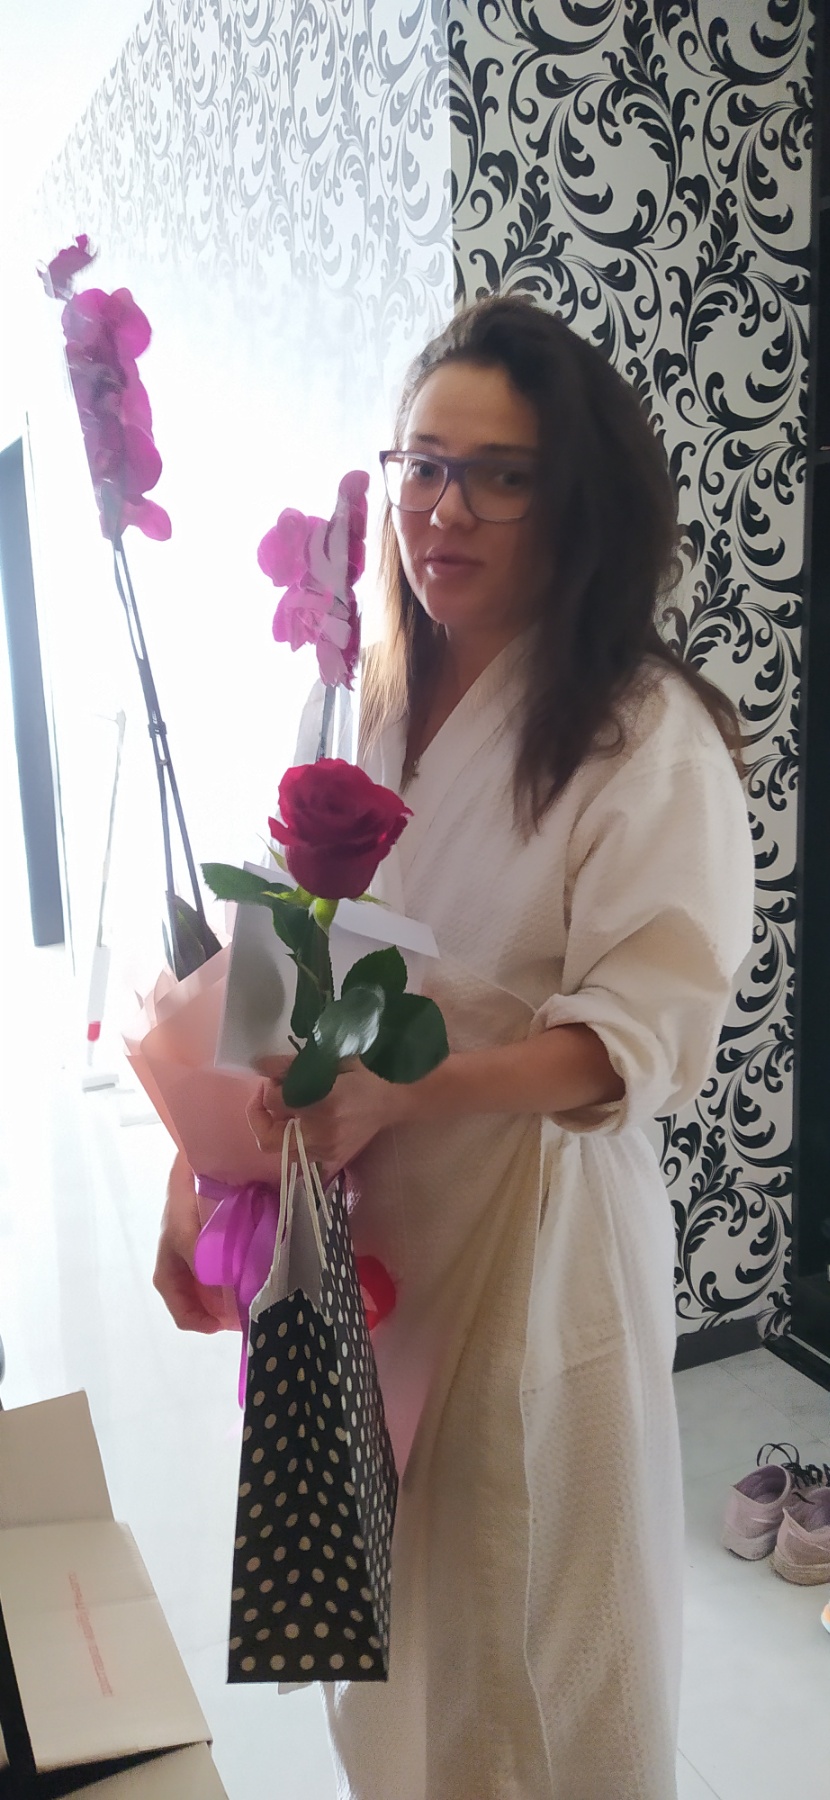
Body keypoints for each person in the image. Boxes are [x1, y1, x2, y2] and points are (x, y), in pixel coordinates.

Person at [154, 295, 756, 1798]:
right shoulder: (360, 695)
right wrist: (202, 1177)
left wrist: (412, 1089)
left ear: (577, 499)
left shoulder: (641, 737)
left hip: (527, 1240)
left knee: (525, 1621)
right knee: (387, 1615)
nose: (446, 509)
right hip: (362, 1218)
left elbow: (635, 1036)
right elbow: (283, 946)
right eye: (423, 465)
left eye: (501, 475)